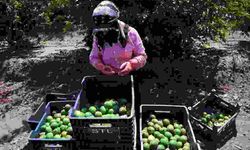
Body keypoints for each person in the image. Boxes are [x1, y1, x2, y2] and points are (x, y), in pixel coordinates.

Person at [89, 0, 147, 76]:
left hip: (129, 77)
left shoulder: (131, 33)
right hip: (107, 78)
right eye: (102, 28)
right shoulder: (98, 35)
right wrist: (102, 67)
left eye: (107, 27)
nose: (104, 32)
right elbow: (94, 57)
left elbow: (142, 56)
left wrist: (131, 65)